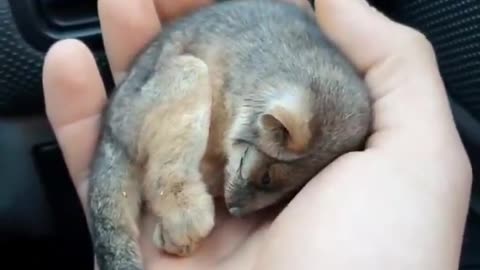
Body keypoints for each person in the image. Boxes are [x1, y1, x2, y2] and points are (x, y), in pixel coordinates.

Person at [42, 0, 473, 269]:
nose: (239, 205)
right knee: (189, 75)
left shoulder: (331, 133)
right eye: (262, 183)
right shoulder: (272, 110)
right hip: (155, 104)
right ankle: (171, 189)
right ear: (275, 124)